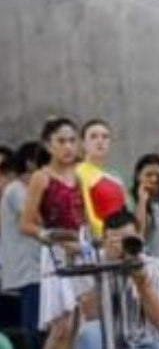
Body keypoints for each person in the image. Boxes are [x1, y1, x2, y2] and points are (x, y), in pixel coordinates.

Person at [20, 118, 86, 349]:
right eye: (61, 141)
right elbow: (26, 224)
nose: (68, 146)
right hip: (57, 253)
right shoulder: (42, 177)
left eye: (72, 140)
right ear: (49, 145)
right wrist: (55, 238)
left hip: (83, 251)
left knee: (78, 324)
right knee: (61, 326)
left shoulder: (82, 174)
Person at [70, 210, 159, 349]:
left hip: (145, 343)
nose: (123, 248)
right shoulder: (93, 265)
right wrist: (107, 266)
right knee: (89, 334)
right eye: (115, 242)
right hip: (107, 342)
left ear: (139, 238)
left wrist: (141, 282)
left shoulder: (156, 267)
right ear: (105, 242)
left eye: (128, 241)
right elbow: (90, 314)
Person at [2, 142, 46, 349]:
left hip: (40, 269)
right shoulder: (16, 190)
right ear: (30, 164)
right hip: (29, 271)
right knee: (33, 328)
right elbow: (38, 220)